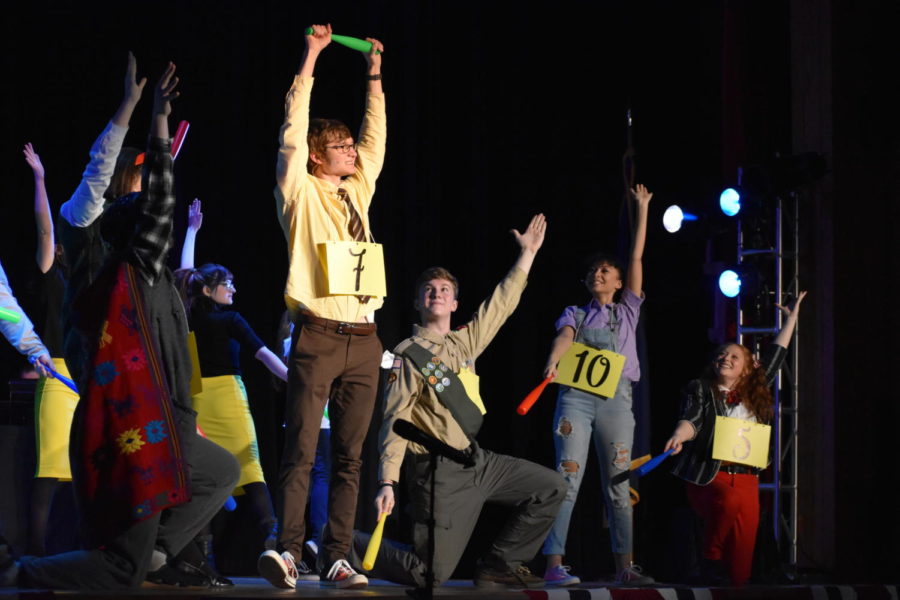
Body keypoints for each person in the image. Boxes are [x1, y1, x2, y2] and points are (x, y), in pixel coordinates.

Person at [4, 55, 239, 590]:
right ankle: (28, 571)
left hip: (165, 411)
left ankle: (153, 554)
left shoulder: (144, 267)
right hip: (127, 413)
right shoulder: (98, 244)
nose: (144, 188)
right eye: (135, 181)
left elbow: (159, 217)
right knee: (116, 564)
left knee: (219, 472)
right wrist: (139, 111)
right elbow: (108, 182)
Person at [358, 214, 566, 589]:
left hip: (477, 461)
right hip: (438, 474)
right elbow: (394, 419)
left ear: (455, 303)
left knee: (551, 486)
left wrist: (528, 254)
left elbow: (501, 305)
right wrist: (387, 481)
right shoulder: (410, 356)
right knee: (430, 575)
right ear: (418, 303)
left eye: (444, 289)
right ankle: (336, 543)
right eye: (429, 289)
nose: (437, 293)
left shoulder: (464, 343)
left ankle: (499, 564)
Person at [258, 24, 386, 590]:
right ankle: (287, 551)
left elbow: (375, 137)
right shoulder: (300, 190)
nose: (351, 151)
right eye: (339, 146)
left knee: (353, 457)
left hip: (365, 337)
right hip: (319, 333)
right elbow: (291, 131)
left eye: (348, 147)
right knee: (303, 447)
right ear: (316, 156)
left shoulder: (358, 190)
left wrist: (374, 76)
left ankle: (337, 556)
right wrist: (311, 56)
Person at [539, 184, 653, 586]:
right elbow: (565, 336)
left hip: (617, 402)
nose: (598, 273)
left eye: (606, 270)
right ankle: (554, 565)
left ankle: (625, 568)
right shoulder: (575, 312)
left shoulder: (628, 310)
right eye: (593, 271)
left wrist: (640, 211)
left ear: (619, 281)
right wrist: (554, 359)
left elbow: (636, 255)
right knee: (566, 479)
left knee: (618, 485)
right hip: (576, 400)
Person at [175, 199, 292, 571]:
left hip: (195, 400)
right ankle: (271, 534)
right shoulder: (220, 318)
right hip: (223, 397)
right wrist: (296, 379)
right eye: (228, 285)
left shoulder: (189, 315)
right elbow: (263, 355)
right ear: (209, 289)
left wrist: (192, 232)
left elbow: (185, 273)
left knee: (203, 475)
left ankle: (206, 555)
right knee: (248, 466)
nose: (234, 291)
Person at [664, 291, 807, 586]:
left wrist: (791, 319)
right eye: (721, 354)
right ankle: (710, 556)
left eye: (733, 356)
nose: (725, 358)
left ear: (748, 366)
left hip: (746, 479)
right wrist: (679, 435)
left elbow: (777, 354)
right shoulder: (701, 389)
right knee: (727, 502)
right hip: (710, 476)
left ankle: (725, 576)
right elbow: (691, 419)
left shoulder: (755, 391)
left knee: (740, 570)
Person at [21, 143, 81, 556]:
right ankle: (36, 556)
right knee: (50, 470)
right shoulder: (49, 273)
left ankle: (77, 552)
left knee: (81, 472)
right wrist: (40, 179)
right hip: (55, 377)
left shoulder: (82, 281)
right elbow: (45, 229)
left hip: (84, 375)